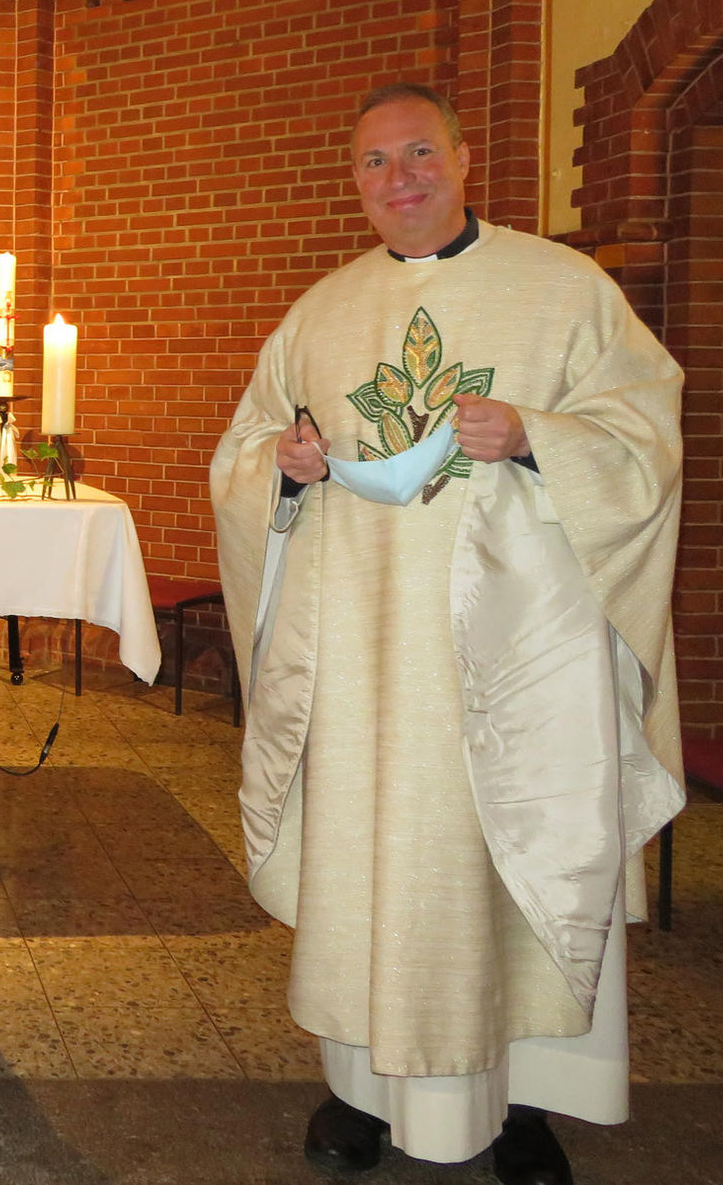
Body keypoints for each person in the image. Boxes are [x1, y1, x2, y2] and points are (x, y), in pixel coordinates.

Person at [209, 84, 686, 1185]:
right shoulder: (319, 311)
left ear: (464, 160)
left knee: (506, 855)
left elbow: (643, 434)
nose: (399, 179)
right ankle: (359, 1093)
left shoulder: (562, 291)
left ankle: (527, 1100)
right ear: (356, 183)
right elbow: (241, 450)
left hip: (519, 657)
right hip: (364, 657)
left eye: (418, 152)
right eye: (374, 163)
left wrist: (534, 437)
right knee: (374, 863)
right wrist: (276, 472)